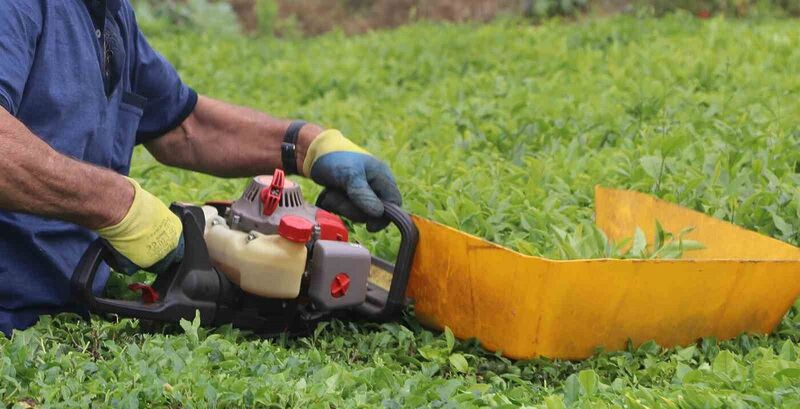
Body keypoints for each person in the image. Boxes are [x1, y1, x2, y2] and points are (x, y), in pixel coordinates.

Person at [0, 0, 402, 336]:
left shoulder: (106, 11)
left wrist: (308, 146)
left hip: (68, 307)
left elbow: (184, 125)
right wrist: (121, 208)